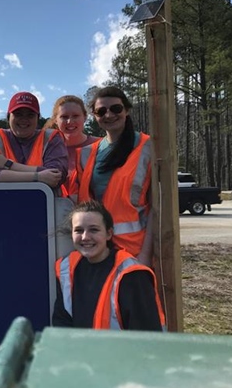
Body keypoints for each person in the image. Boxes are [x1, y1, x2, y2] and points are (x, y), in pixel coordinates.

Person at [71, 86, 153, 265]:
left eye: (116, 108)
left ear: (127, 110)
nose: (109, 115)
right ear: (94, 115)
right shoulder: (85, 154)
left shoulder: (148, 147)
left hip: (133, 249)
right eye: (101, 111)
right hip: (95, 248)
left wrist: (146, 255)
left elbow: (157, 208)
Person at [52, 200, 165, 331]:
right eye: (78, 230)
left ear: (109, 234)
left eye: (93, 230)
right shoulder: (66, 269)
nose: (85, 237)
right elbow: (62, 325)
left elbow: (145, 336)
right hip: (81, 350)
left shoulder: (132, 274)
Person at [0, 91, 68, 192]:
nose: (24, 119)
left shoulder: (51, 137)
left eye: (30, 115)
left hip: (46, 204)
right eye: (18, 114)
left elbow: (56, 177)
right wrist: (39, 176)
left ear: (37, 118)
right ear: (9, 117)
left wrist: (8, 164)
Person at [44, 95, 99, 182]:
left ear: (85, 117)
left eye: (75, 116)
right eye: (64, 117)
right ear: (55, 120)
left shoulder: (101, 145)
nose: (70, 121)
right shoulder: (46, 149)